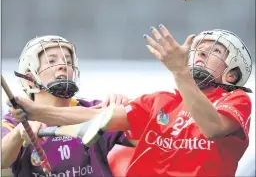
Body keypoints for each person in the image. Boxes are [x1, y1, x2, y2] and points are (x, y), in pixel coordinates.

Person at [9, 26, 253, 177]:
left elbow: (211, 128)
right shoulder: (161, 101)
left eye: (215, 52)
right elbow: (96, 116)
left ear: (231, 75)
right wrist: (36, 112)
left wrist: (180, 73)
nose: (200, 54)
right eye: (198, 50)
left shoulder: (235, 100)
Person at [2, 35, 134, 177]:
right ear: (30, 80)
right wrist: (18, 134)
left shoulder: (94, 110)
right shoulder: (16, 120)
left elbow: (145, 139)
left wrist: (128, 113)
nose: (63, 65)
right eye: (51, 60)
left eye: (68, 61)